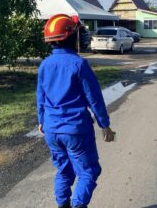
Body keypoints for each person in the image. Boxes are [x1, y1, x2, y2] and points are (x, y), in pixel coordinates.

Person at [37, 14, 115, 208]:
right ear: (72, 37)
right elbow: (94, 98)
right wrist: (105, 125)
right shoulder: (79, 64)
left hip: (51, 129)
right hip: (75, 130)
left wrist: (41, 121)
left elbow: (41, 97)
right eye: (78, 32)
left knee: (64, 171)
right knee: (89, 171)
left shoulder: (45, 65)